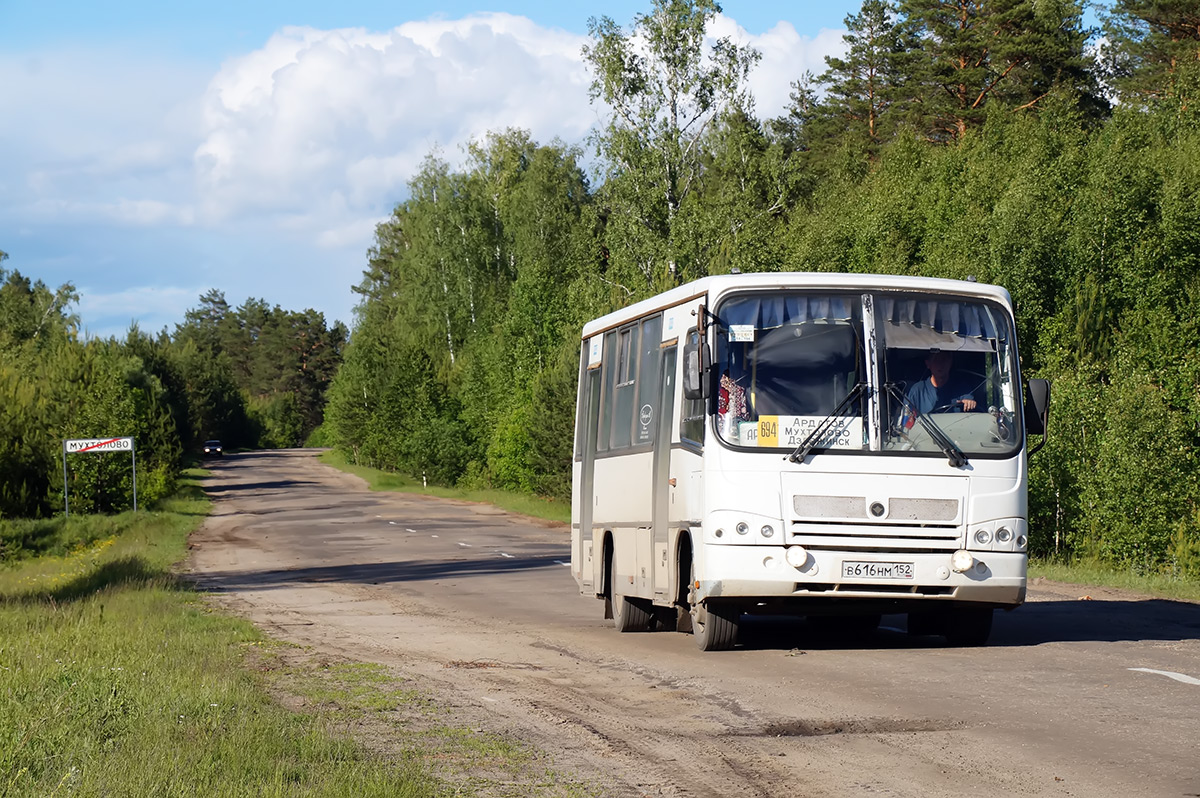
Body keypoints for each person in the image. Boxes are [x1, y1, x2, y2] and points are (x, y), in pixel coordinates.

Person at [904, 350, 979, 421]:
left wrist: (970, 404)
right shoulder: (917, 391)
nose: (940, 364)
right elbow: (906, 423)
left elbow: (971, 418)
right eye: (936, 359)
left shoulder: (962, 389)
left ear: (950, 362)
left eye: (944, 359)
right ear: (928, 364)